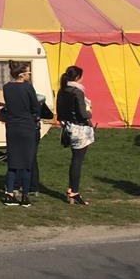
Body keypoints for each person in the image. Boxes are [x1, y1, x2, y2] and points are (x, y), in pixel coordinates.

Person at [0, 61, 40, 207]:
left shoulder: (7, 87)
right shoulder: (28, 88)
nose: (29, 75)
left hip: (12, 127)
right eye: (28, 73)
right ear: (22, 74)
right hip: (27, 126)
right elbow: (35, 107)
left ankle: (9, 193)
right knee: (27, 163)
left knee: (12, 161)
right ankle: (25, 196)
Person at [56, 66, 94, 205]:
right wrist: (90, 112)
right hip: (79, 128)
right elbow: (83, 114)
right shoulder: (77, 92)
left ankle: (72, 189)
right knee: (77, 161)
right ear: (77, 77)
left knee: (75, 160)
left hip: (68, 127)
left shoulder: (62, 90)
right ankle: (74, 191)